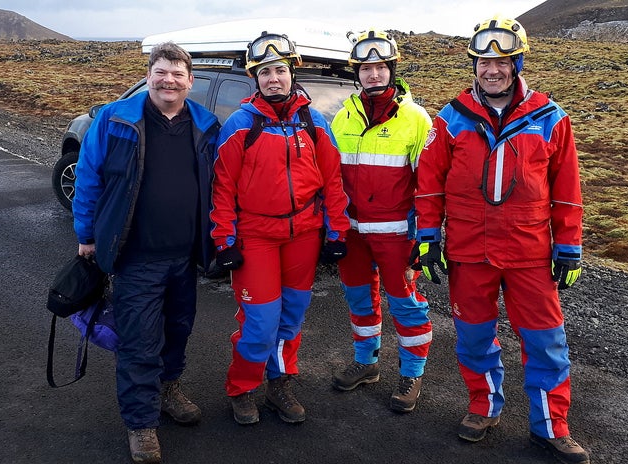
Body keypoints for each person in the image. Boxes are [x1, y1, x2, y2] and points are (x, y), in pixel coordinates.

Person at [413, 16, 589, 464]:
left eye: (502, 61)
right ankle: (483, 407)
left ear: (517, 63)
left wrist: (568, 246)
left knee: (547, 342)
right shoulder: (450, 119)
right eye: (483, 61)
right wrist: (428, 237)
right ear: (473, 66)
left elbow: (567, 192)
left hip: (530, 252)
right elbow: (429, 183)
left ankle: (551, 426)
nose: (492, 70)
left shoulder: (551, 118)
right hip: (469, 251)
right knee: (474, 338)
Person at [72, 42, 220, 464]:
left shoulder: (206, 125)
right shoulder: (116, 120)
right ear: (149, 75)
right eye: (161, 71)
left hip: (185, 256)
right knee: (139, 341)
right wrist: (86, 231)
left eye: (177, 73)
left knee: (178, 329)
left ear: (190, 81)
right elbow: (88, 175)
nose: (168, 80)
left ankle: (168, 389)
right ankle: (141, 424)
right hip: (136, 255)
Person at [211, 32, 351, 426]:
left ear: (292, 72)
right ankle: (242, 388)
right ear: (255, 78)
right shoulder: (241, 124)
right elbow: (222, 187)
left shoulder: (313, 120)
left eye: (280, 70)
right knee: (259, 323)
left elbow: (333, 180)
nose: (274, 78)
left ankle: (279, 383)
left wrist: (337, 232)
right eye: (265, 72)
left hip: (304, 236)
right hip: (255, 238)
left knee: (291, 318)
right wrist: (224, 239)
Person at [329, 28, 433, 413]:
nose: (374, 75)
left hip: (397, 236)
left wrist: (425, 240)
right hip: (353, 235)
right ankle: (366, 362)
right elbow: (331, 180)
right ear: (356, 73)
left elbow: (429, 187)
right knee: (359, 300)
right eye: (366, 68)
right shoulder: (343, 118)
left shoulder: (416, 119)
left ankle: (412, 374)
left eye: (380, 67)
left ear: (392, 69)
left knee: (406, 306)